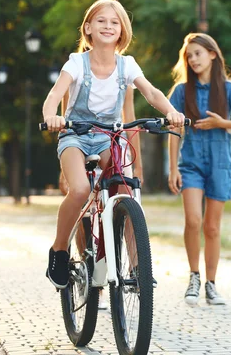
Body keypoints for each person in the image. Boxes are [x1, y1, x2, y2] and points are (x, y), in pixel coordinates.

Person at [42, 0, 185, 290]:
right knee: (80, 189)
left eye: (114, 22)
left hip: (108, 136)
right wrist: (51, 116)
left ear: (122, 31)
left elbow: (152, 93)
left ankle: (137, 268)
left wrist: (170, 111)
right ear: (88, 28)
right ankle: (58, 250)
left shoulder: (127, 65)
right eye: (101, 21)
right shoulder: (77, 63)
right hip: (75, 135)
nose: (108, 26)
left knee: (125, 188)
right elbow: (56, 94)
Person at [167, 33, 231, 306]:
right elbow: (174, 130)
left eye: (197, 53)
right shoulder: (182, 92)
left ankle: (211, 284)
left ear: (212, 55)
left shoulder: (229, 89)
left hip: (220, 166)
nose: (193, 59)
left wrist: (223, 123)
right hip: (191, 165)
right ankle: (194, 276)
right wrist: (173, 168)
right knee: (193, 220)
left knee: (212, 228)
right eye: (189, 56)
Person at [58, 86, 142, 310]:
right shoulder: (76, 68)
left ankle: (136, 270)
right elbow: (65, 115)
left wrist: (137, 163)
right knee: (85, 207)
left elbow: (130, 119)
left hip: (112, 143)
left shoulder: (123, 72)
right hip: (79, 144)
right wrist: (63, 169)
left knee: (126, 198)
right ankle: (94, 282)